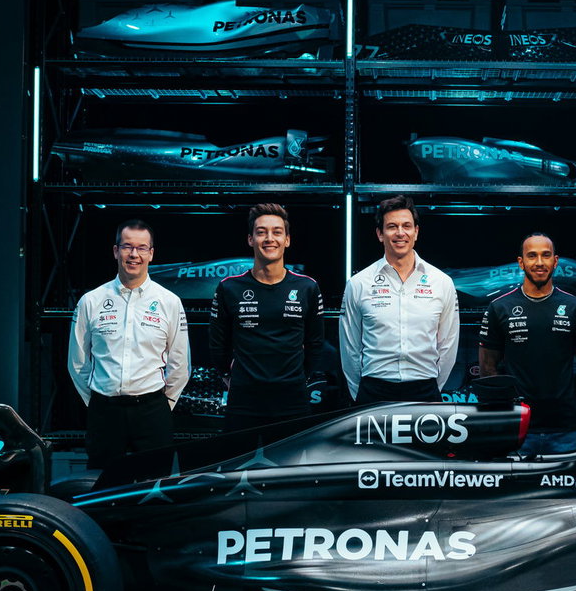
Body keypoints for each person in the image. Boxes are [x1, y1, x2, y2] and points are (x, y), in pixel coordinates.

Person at [67, 219, 190, 471]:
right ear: (116, 251)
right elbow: (77, 362)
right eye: (127, 247)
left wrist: (163, 405)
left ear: (151, 254)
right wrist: (97, 403)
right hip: (105, 413)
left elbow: (180, 364)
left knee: (155, 486)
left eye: (142, 248)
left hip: (152, 411)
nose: (134, 254)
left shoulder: (169, 302)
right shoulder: (91, 301)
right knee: (102, 486)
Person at [207, 203, 324, 433]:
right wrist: (231, 376)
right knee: (239, 457)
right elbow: (217, 345)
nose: (269, 238)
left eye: (277, 232)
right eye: (261, 232)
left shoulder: (307, 287)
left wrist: (297, 378)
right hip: (243, 401)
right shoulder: (229, 287)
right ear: (250, 239)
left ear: (287, 240)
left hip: (293, 400)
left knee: (290, 458)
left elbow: (316, 344)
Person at [479, 233, 576, 453]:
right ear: (521, 262)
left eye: (546, 255)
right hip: (516, 427)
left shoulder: (575, 306)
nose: (539, 262)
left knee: (570, 479)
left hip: (565, 428)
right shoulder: (500, 307)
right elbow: (487, 368)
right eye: (532, 256)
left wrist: (570, 397)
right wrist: (508, 405)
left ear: (555, 261)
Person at [341, 194, 459, 404]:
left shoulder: (442, 282)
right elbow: (349, 347)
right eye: (392, 226)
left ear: (416, 232)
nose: (400, 233)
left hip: (425, 391)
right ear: (380, 234)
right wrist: (360, 393)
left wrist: (433, 386)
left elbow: (448, 345)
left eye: (406, 226)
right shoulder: (358, 283)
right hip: (373, 391)